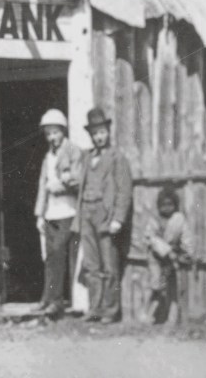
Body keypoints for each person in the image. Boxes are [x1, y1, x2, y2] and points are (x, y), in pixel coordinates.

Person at [74, 107, 132, 324]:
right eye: (95, 133)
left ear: (108, 132)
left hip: (105, 213)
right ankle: (95, 308)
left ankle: (110, 309)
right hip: (86, 212)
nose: (99, 137)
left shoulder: (117, 158)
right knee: (91, 264)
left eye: (102, 132)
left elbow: (124, 190)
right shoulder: (87, 157)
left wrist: (118, 218)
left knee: (109, 264)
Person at [32, 108, 83, 318]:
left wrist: (61, 186)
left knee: (59, 253)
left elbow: (79, 179)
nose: (52, 137)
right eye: (48, 133)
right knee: (50, 256)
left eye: (55, 132)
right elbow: (42, 185)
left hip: (67, 211)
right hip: (51, 212)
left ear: (63, 131)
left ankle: (57, 301)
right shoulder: (48, 157)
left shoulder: (73, 151)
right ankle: (47, 297)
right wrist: (39, 214)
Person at [144, 187, 193, 324]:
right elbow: (150, 238)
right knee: (156, 284)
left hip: (172, 258)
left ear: (175, 205)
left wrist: (187, 252)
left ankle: (172, 318)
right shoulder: (154, 219)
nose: (166, 208)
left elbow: (186, 236)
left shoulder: (179, 219)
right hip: (156, 256)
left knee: (172, 286)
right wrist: (167, 251)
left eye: (170, 204)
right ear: (159, 205)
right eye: (163, 205)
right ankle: (148, 314)